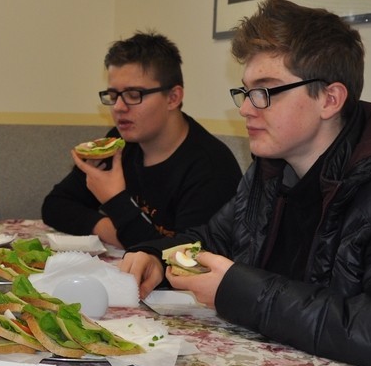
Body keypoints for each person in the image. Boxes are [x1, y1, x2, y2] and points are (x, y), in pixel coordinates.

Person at [121, 0, 371, 366]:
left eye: (265, 91)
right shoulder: (269, 174)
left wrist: (242, 292)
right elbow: (210, 240)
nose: (246, 108)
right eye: (245, 91)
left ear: (329, 99)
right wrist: (157, 257)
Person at [41, 31, 242, 249]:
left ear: (173, 98)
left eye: (133, 95)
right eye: (113, 96)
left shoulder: (210, 168)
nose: (118, 107)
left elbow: (184, 258)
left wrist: (115, 200)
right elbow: (55, 205)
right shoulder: (118, 143)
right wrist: (108, 229)